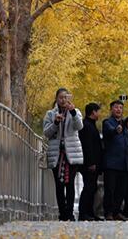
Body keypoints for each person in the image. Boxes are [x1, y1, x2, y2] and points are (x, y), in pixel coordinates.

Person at [43, 88, 83, 221]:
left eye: (66, 97)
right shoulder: (50, 114)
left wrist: (72, 112)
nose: (63, 100)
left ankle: (70, 213)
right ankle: (62, 213)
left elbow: (79, 127)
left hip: (71, 153)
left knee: (70, 183)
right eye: (61, 97)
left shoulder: (75, 112)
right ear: (56, 98)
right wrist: (55, 122)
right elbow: (47, 133)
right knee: (59, 185)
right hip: (56, 153)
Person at [102, 100, 128, 221]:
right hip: (111, 162)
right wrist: (116, 130)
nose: (118, 109)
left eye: (120, 107)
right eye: (116, 107)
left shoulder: (126, 124)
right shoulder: (107, 122)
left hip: (124, 163)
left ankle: (117, 212)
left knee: (121, 189)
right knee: (110, 189)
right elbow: (109, 132)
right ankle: (108, 212)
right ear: (111, 109)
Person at [78, 102, 103, 221]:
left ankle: (90, 213)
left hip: (93, 163)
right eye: (98, 111)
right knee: (88, 187)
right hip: (89, 164)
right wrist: (91, 163)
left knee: (92, 188)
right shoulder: (86, 125)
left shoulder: (91, 125)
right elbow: (87, 146)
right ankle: (83, 213)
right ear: (93, 112)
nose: (100, 114)